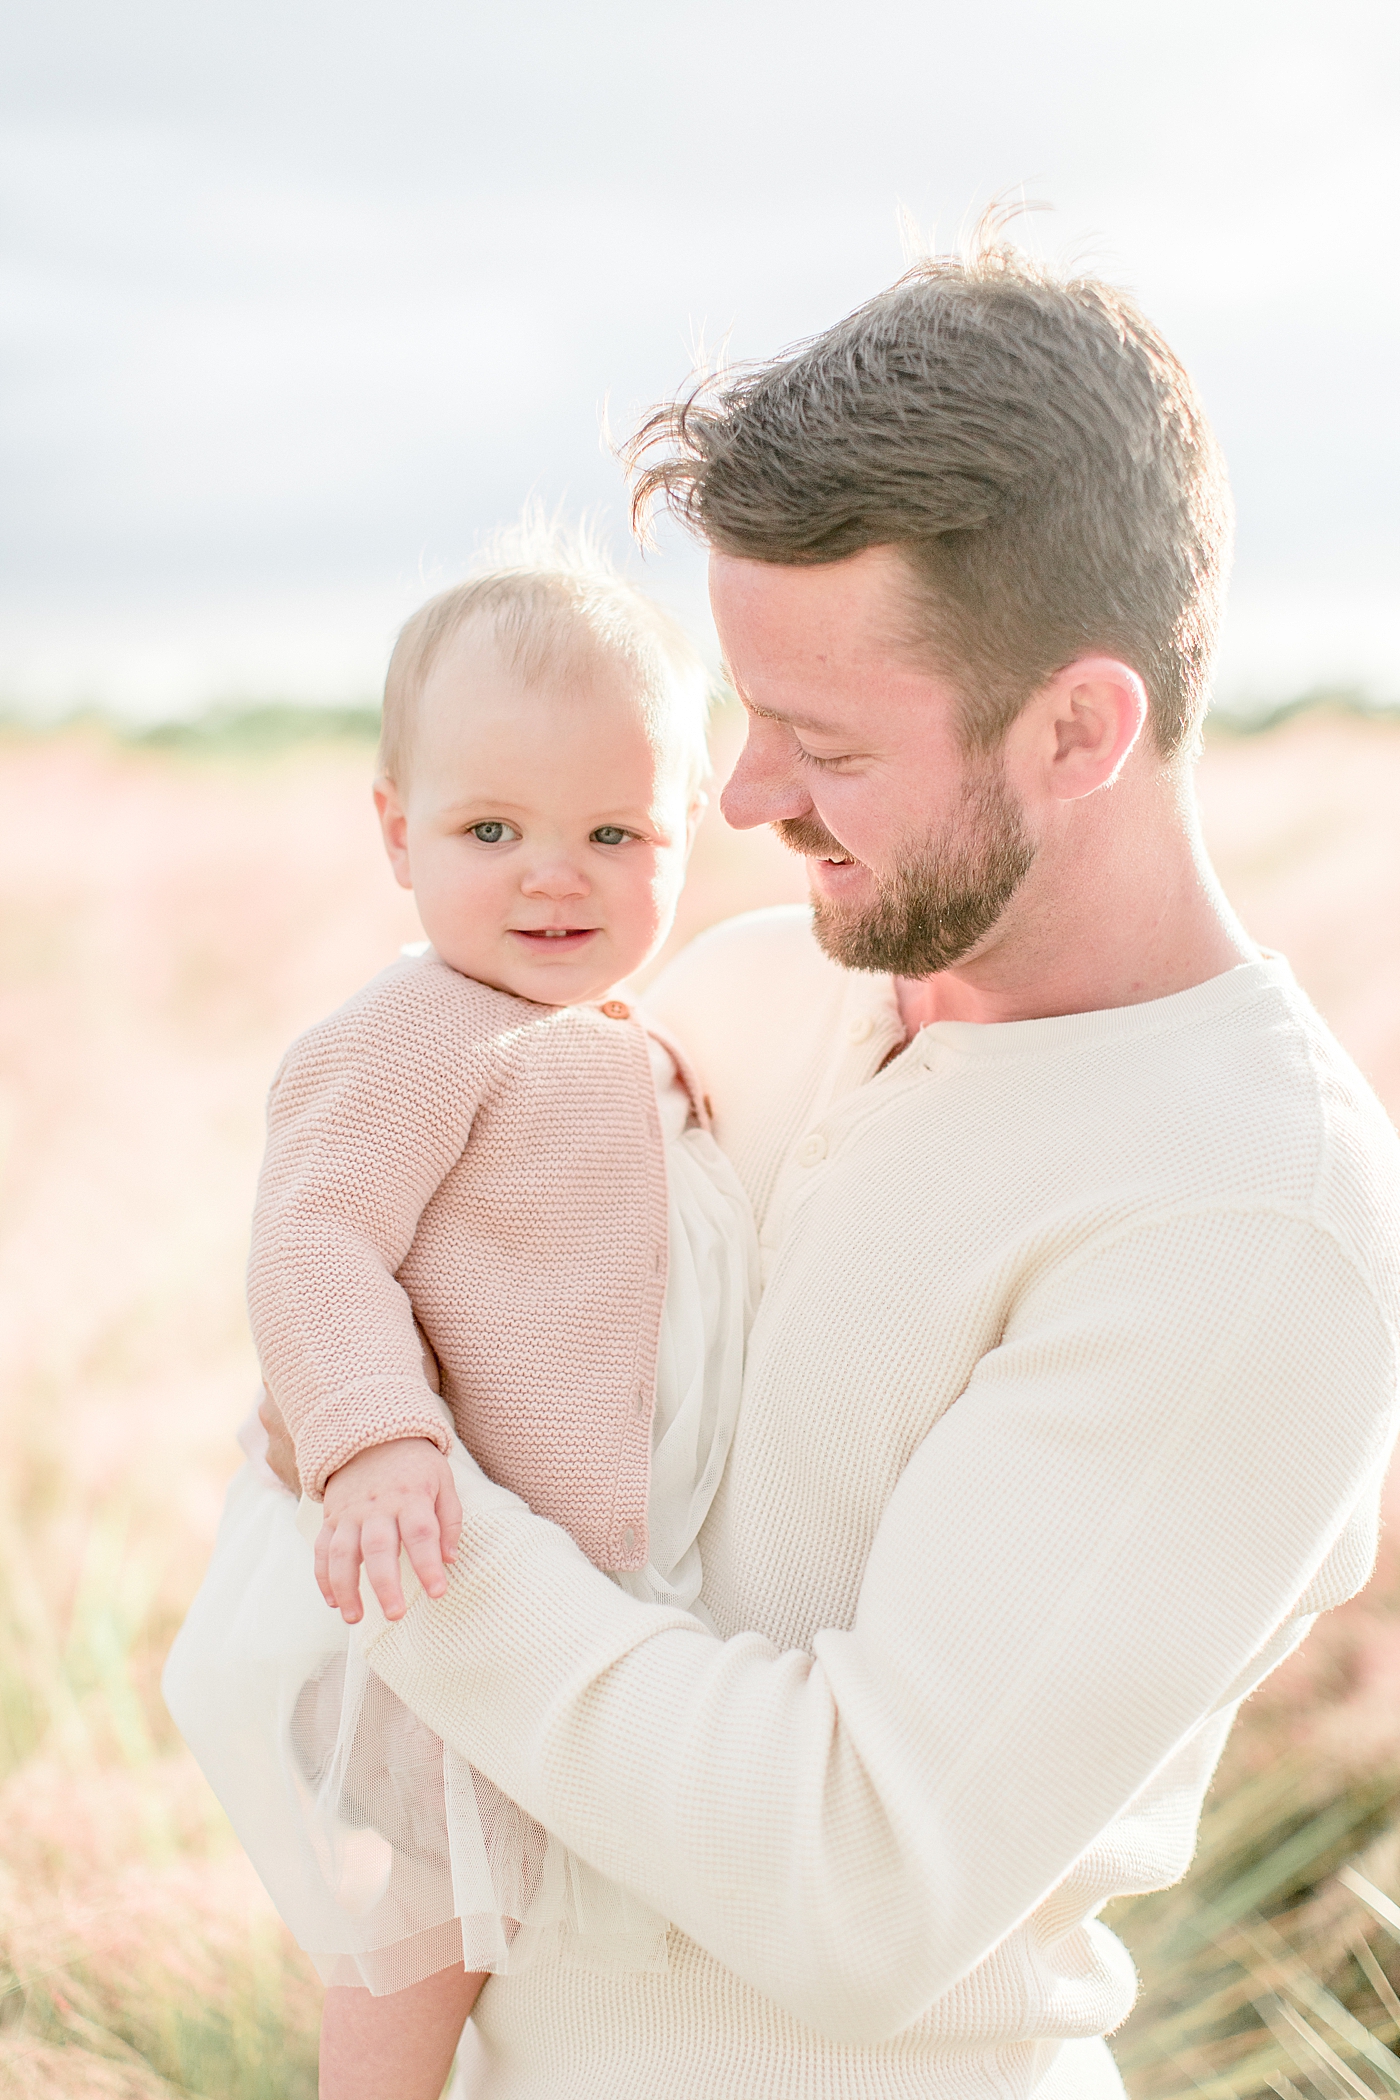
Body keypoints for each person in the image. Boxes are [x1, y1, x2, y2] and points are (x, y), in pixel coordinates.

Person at [287, 230, 1400, 2099]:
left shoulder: (1255, 1225)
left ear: (1079, 730)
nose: (734, 802)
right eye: (739, 716)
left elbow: (853, 1887)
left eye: (816, 742)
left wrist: (402, 1533)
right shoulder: (749, 990)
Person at [161, 541, 758, 2100]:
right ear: (395, 833)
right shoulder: (413, 1031)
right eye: (492, 828)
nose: (552, 874)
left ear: (682, 837)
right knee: (418, 1947)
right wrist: (370, 1441)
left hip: (547, 1584)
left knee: (510, 1945)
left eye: (611, 831)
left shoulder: (611, 1038)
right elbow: (312, 1239)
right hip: (418, 1562)